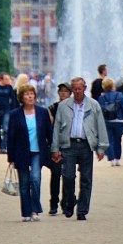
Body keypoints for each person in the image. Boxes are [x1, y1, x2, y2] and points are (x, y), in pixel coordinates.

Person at [52, 76, 108, 220]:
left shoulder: (93, 105)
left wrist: (101, 148)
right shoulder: (63, 106)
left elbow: (100, 126)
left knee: (86, 179)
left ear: (85, 88)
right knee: (68, 176)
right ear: (72, 90)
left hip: (86, 145)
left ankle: (82, 210)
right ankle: (69, 201)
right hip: (68, 144)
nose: (77, 91)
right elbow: (57, 127)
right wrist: (55, 148)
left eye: (80, 88)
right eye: (75, 89)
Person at [6, 83, 53, 222]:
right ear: (22, 97)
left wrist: (53, 150)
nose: (30, 96)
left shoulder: (42, 112)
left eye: (32, 93)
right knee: (24, 183)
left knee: (35, 179)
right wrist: (11, 157)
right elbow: (11, 136)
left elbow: (49, 133)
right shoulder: (15, 115)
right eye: (27, 94)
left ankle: (35, 209)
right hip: (21, 151)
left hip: (38, 151)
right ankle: (26, 212)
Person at [46, 82, 72, 213]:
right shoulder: (52, 108)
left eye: (65, 91)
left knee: (68, 175)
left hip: (69, 145)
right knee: (56, 174)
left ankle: (66, 202)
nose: (63, 93)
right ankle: (54, 203)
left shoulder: (74, 108)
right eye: (61, 91)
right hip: (56, 144)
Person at [98, 77, 123, 165]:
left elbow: (100, 111)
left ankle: (111, 159)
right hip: (119, 121)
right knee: (118, 140)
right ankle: (117, 159)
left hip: (107, 121)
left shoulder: (101, 97)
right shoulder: (119, 95)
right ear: (112, 85)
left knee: (109, 140)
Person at [0, 73, 17, 153]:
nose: (8, 80)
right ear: (1, 79)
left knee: (6, 128)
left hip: (6, 110)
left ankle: (4, 147)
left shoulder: (9, 88)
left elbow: (13, 100)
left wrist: (14, 110)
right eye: (6, 79)